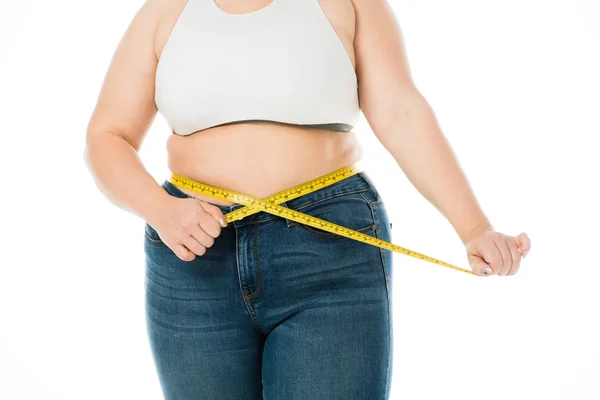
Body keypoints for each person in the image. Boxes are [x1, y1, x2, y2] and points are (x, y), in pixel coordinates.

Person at [84, 0, 532, 398]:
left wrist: (473, 226)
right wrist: (160, 209)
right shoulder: (165, 11)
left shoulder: (349, 4)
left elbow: (401, 112)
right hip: (193, 253)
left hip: (330, 250)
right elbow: (106, 136)